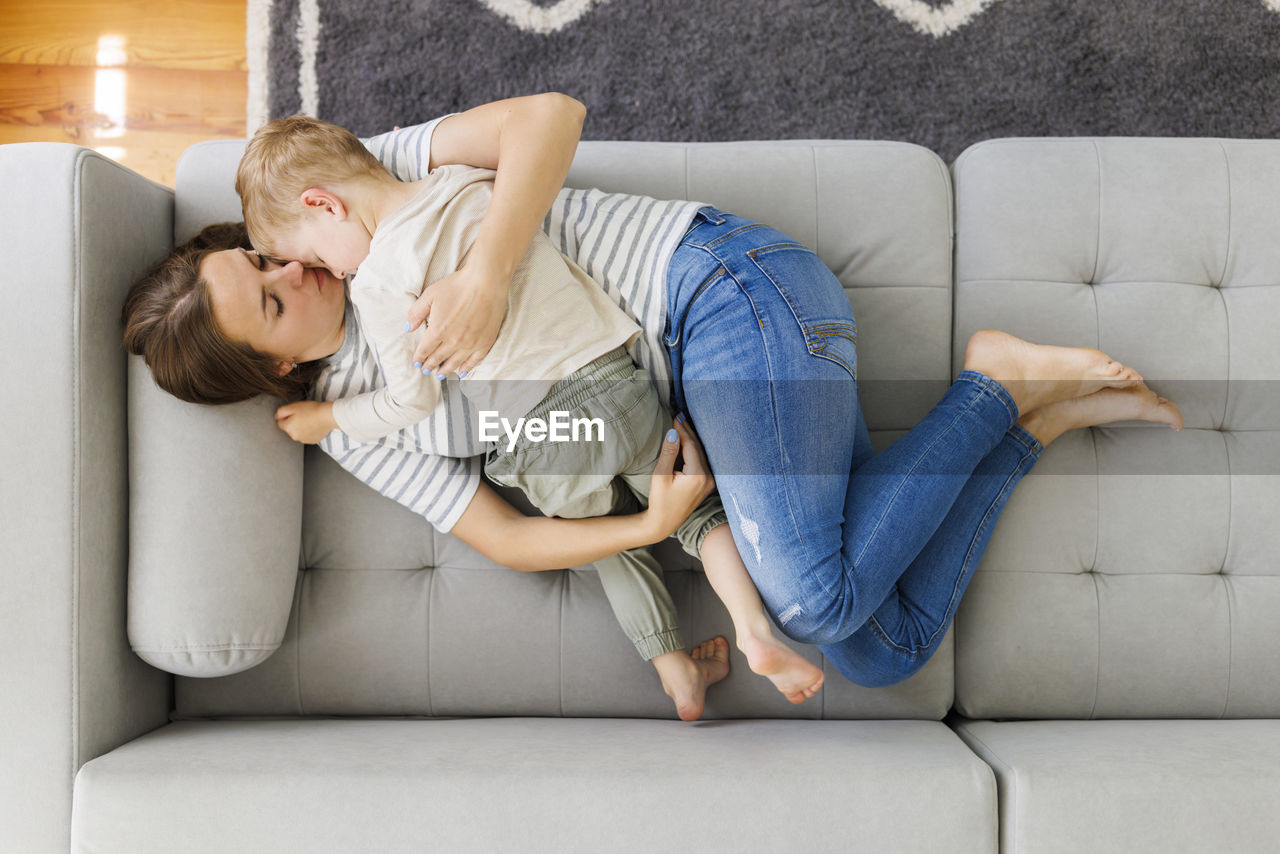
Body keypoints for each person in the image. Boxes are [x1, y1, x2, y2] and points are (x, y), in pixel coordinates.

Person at [125, 93, 1183, 699]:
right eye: (269, 300)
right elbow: (500, 533)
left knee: (812, 600)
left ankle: (990, 384)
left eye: (263, 261)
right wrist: (651, 519)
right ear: (275, 369)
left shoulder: (376, 195)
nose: (293, 275)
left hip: (716, 295)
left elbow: (549, 114)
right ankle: (1021, 419)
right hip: (691, 417)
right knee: (877, 646)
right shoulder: (359, 414)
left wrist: (489, 270)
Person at [226, 114, 825, 715]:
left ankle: (675, 670)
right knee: (699, 514)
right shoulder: (467, 182)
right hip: (616, 383)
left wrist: (330, 418)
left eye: (312, 257)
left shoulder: (377, 287)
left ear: (325, 205)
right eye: (280, 290)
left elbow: (415, 400)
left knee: (604, 544)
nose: (325, 271)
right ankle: (753, 630)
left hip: (542, 435)